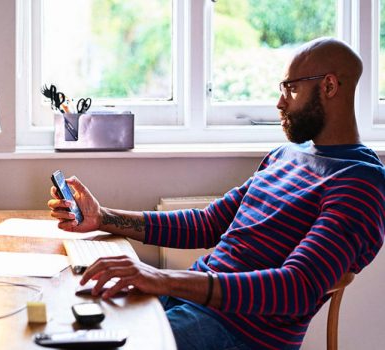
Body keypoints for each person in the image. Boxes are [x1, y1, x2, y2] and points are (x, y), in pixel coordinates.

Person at [48, 37, 385, 350]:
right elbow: (208, 224)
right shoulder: (286, 156)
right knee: (64, 320)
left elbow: (295, 288)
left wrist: (163, 280)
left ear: (329, 86)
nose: (280, 102)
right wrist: (102, 217)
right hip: (193, 302)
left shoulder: (359, 185)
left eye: (291, 89)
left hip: (239, 331)